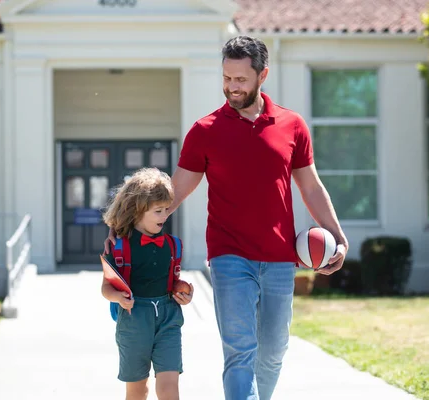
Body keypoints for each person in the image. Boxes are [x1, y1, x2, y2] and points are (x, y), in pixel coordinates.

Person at [106, 36, 348, 400]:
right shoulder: (206, 131)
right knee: (240, 351)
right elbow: (175, 192)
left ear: (262, 75)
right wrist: (125, 227)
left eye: (240, 80)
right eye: (226, 78)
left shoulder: (292, 125)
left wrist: (338, 238)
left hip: (281, 258)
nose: (232, 88)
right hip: (229, 256)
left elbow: (311, 187)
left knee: (273, 352)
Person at [100, 167, 194, 400]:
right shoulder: (119, 247)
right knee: (137, 388)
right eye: (158, 211)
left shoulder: (173, 245)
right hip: (134, 320)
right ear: (136, 212)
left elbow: (173, 282)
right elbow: (106, 287)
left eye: (166, 210)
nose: (165, 216)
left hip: (168, 317)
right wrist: (117, 297)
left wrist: (184, 292)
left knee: (170, 383)